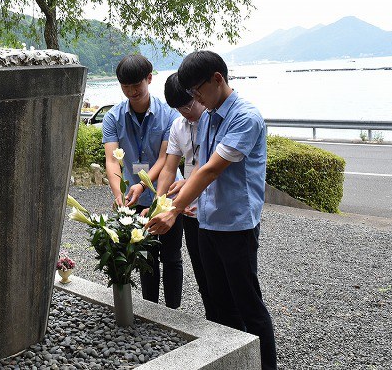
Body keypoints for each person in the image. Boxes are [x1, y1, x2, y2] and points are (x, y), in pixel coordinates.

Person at [147, 50, 277, 370]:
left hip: (236, 224)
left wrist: (173, 210)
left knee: (248, 305)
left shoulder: (245, 116)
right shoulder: (208, 116)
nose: (196, 99)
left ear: (217, 80)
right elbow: (201, 167)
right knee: (217, 304)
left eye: (197, 91)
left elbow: (211, 170)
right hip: (207, 221)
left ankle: (267, 365)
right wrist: (179, 187)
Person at [101, 54, 182, 308]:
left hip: (165, 194)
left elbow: (166, 159)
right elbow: (113, 161)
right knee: (145, 255)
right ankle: (151, 309)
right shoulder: (113, 118)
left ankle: (173, 312)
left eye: (136, 85)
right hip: (132, 197)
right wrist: (118, 197)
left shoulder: (168, 115)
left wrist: (143, 183)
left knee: (171, 256)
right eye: (125, 86)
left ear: (149, 78)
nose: (131, 92)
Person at [158, 73, 213, 318]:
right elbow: (170, 168)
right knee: (202, 276)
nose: (185, 112)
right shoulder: (179, 125)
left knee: (220, 279)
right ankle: (214, 324)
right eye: (178, 108)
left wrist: (177, 204)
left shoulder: (214, 121)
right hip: (190, 212)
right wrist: (160, 203)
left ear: (198, 94)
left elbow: (211, 167)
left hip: (214, 210)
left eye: (188, 104)